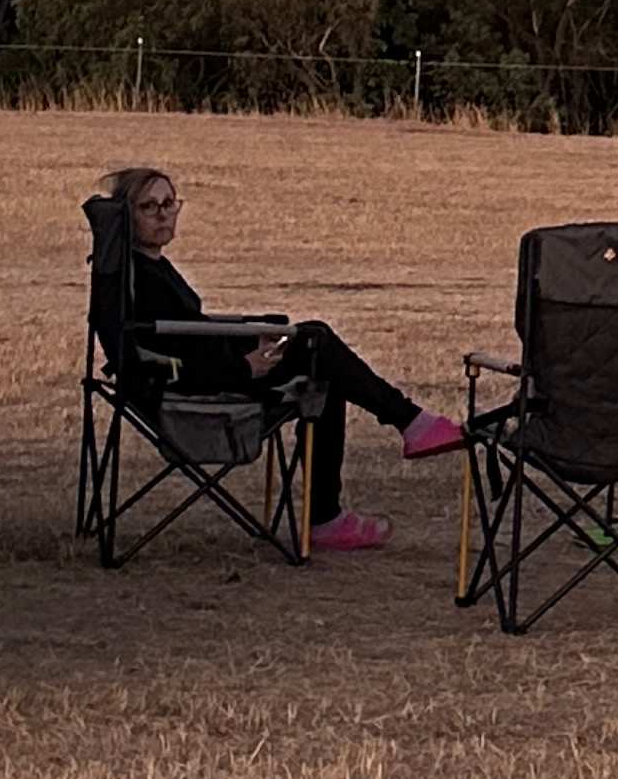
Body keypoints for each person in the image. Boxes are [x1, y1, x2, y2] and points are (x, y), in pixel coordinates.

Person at [102, 163, 461, 554]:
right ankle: (404, 427)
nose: (163, 214)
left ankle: (334, 508)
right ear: (126, 216)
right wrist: (242, 366)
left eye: (169, 203)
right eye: (148, 206)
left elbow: (191, 333)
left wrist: (251, 335)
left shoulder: (150, 267)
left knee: (319, 363)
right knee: (316, 343)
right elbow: (160, 357)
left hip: (213, 373)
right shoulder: (138, 277)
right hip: (197, 390)